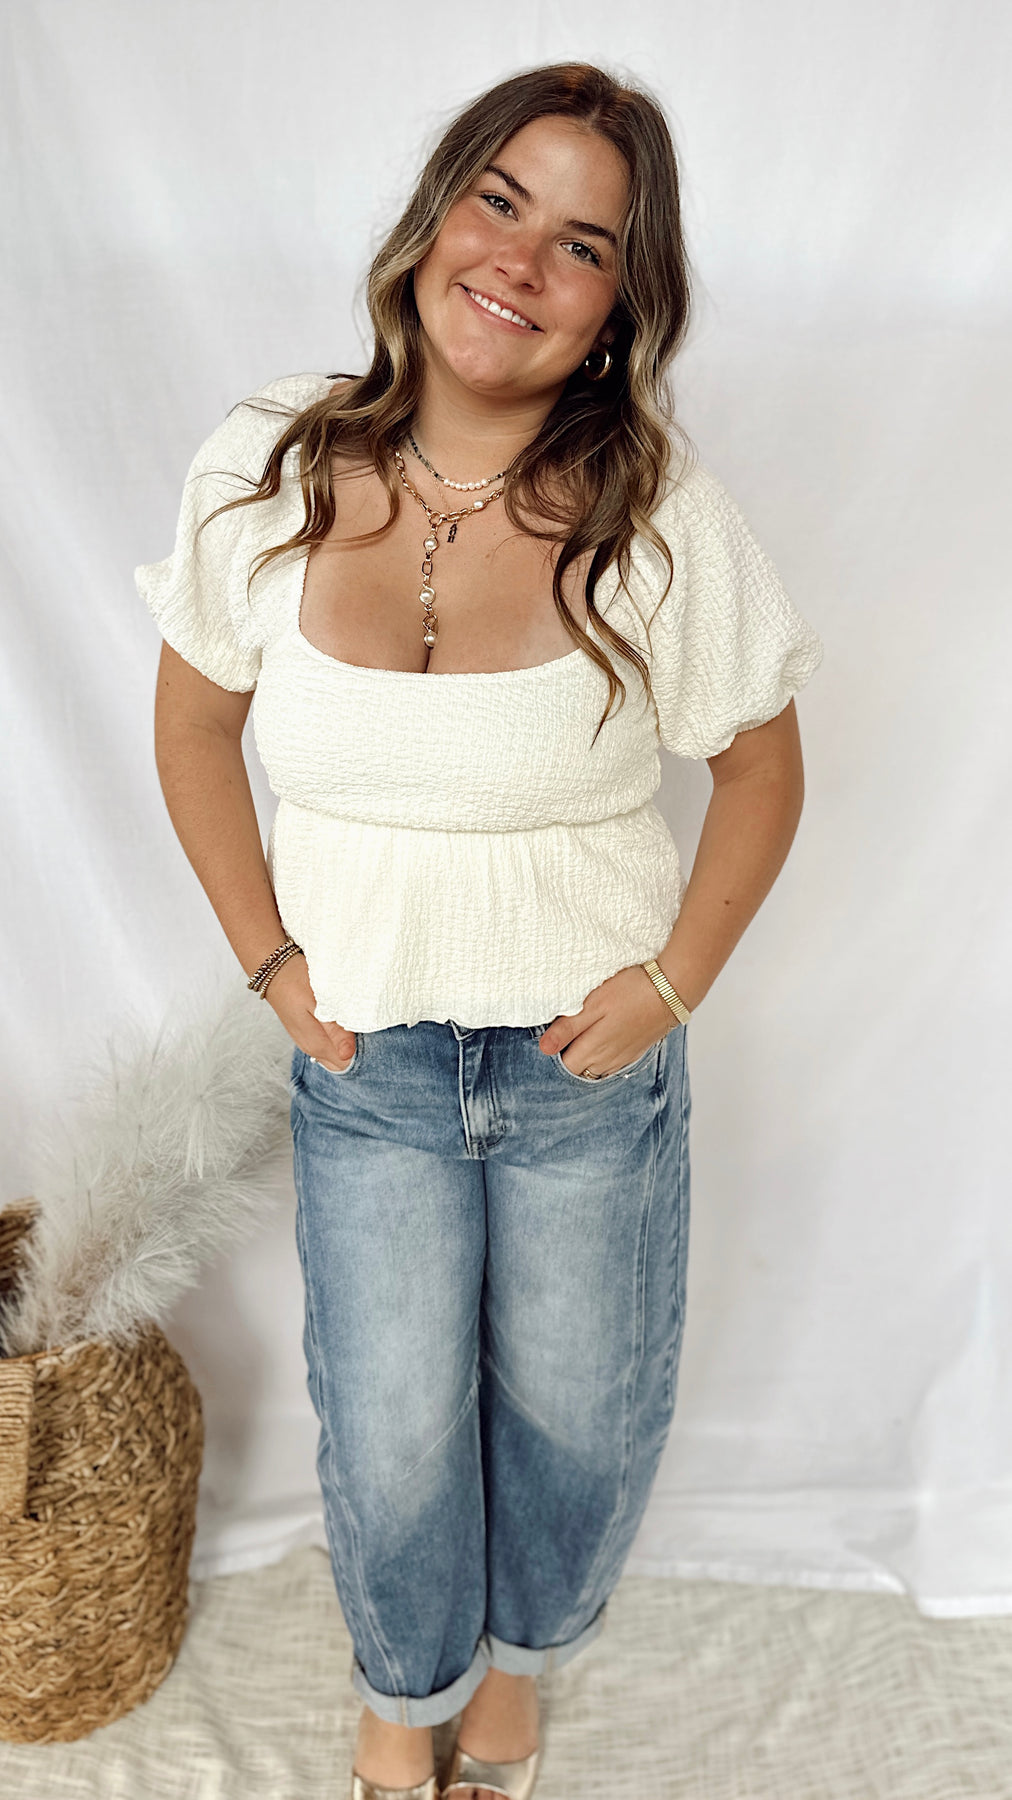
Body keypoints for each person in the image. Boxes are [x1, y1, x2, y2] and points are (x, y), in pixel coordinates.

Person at [137, 60, 823, 1800]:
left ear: (617, 311)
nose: (519, 260)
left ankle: (515, 1678)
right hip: (363, 1054)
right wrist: (271, 965)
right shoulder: (271, 466)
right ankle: (400, 1698)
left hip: (585, 1066)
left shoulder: (656, 514)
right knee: (389, 1425)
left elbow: (760, 767)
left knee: (579, 1409)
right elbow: (194, 720)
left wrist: (672, 984)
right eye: (499, 202)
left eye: (582, 243)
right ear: (434, 216)